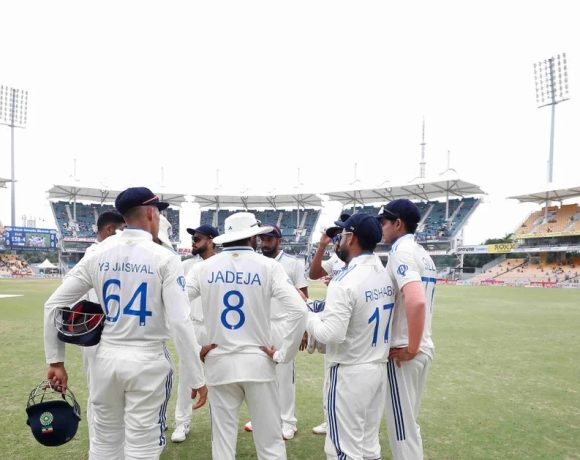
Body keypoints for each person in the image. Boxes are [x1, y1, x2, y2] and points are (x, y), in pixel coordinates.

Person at [44, 186, 207, 460]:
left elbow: (53, 305)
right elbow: (180, 321)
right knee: (142, 448)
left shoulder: (97, 252)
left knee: (105, 443)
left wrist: (56, 361)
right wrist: (196, 377)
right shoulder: (165, 257)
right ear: (150, 214)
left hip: (104, 359)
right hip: (147, 359)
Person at [186, 212, 307, 460]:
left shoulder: (203, 268)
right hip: (259, 364)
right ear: (252, 237)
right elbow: (299, 310)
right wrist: (284, 354)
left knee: (222, 445)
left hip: (219, 363)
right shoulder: (270, 266)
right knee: (271, 445)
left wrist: (197, 347)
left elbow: (175, 308)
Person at [307, 213, 395, 460]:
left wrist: (306, 317)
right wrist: (314, 306)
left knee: (342, 451)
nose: (339, 241)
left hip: (349, 371)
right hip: (377, 368)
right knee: (368, 448)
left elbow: (331, 334)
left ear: (352, 237)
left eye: (342, 235)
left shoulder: (344, 280)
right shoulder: (384, 273)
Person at [378, 199, 436, 460]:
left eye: (383, 221)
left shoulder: (401, 251)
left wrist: (411, 347)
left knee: (402, 431)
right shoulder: (422, 252)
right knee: (409, 425)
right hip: (422, 348)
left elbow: (417, 299)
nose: (381, 227)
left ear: (397, 224)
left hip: (405, 352)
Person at [243, 225, 308, 440]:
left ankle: (288, 422)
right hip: (260, 324)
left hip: (284, 324)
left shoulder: (293, 263)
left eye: (269, 239)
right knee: (262, 373)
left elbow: (303, 298)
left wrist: (303, 330)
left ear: (279, 240)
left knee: (284, 374)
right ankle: (266, 418)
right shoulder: (257, 263)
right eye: (262, 239)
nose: (265, 243)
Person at [81, 211, 126, 448]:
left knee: (112, 397)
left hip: (111, 335)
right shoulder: (95, 255)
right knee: (99, 398)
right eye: (122, 230)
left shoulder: (108, 254)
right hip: (96, 335)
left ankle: (110, 445)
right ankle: (96, 446)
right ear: (110, 230)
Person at [171, 223, 219, 443]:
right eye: (192, 238)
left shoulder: (222, 265)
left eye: (198, 238)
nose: (193, 242)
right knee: (187, 376)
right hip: (191, 327)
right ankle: (182, 422)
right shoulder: (186, 265)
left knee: (220, 379)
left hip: (216, 330)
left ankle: (219, 424)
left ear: (211, 240)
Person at [307, 213, 349, 436]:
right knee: (331, 375)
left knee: (346, 376)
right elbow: (313, 274)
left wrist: (339, 283)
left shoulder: (358, 260)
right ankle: (330, 418)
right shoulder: (336, 260)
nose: (336, 237)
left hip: (351, 324)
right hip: (335, 318)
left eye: (340, 233)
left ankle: (342, 421)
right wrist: (322, 246)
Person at [309, 213, 350, 283]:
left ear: (350, 237)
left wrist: (335, 284)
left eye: (339, 237)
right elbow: (314, 275)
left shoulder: (364, 262)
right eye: (334, 238)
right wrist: (322, 246)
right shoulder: (336, 258)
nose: (337, 242)